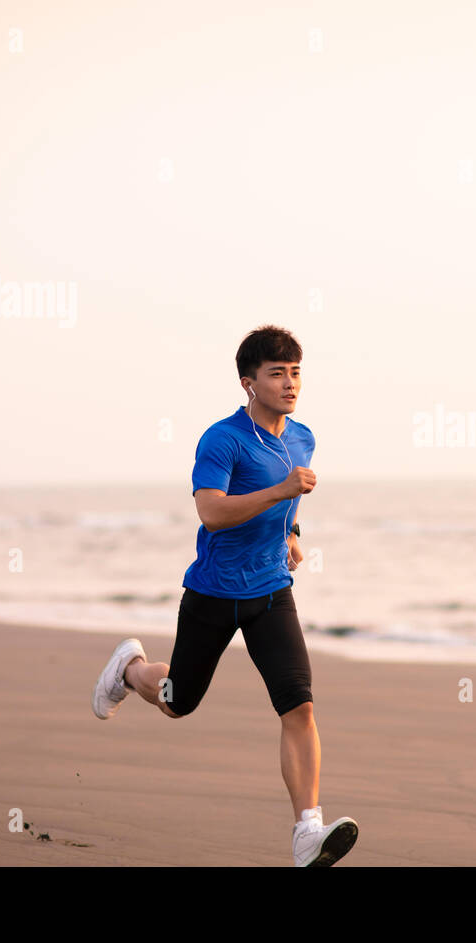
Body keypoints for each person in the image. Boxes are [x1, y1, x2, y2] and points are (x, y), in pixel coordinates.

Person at [91, 325, 358, 867]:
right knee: (176, 701)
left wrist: (292, 533)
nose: (290, 384)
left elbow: (294, 497)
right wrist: (281, 492)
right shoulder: (222, 439)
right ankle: (130, 669)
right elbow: (211, 510)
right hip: (213, 593)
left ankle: (307, 831)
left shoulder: (302, 437)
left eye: (296, 373)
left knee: (299, 705)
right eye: (276, 374)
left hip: (270, 594)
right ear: (248, 383)